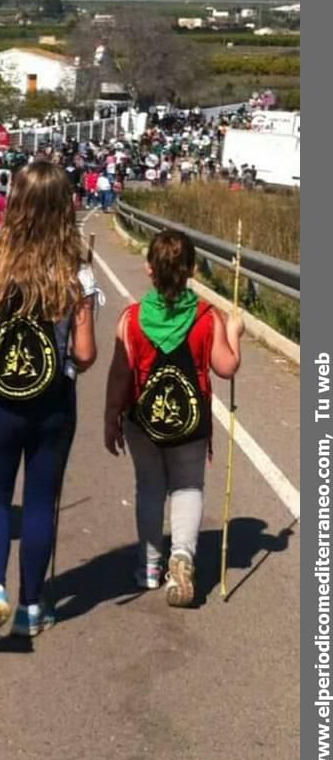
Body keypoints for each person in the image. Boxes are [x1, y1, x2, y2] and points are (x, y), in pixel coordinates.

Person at [0, 162, 98, 645]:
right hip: (54, 398)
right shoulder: (76, 272)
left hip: (0, 398)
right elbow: (85, 353)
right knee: (41, 501)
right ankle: (32, 606)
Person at [104, 230, 244, 607]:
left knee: (149, 488)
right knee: (187, 487)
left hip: (142, 420)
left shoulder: (131, 320)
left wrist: (110, 417)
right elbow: (226, 366)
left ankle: (149, 566)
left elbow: (119, 374)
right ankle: (182, 556)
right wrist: (235, 333)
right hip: (190, 423)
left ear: (149, 269)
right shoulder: (205, 318)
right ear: (192, 271)